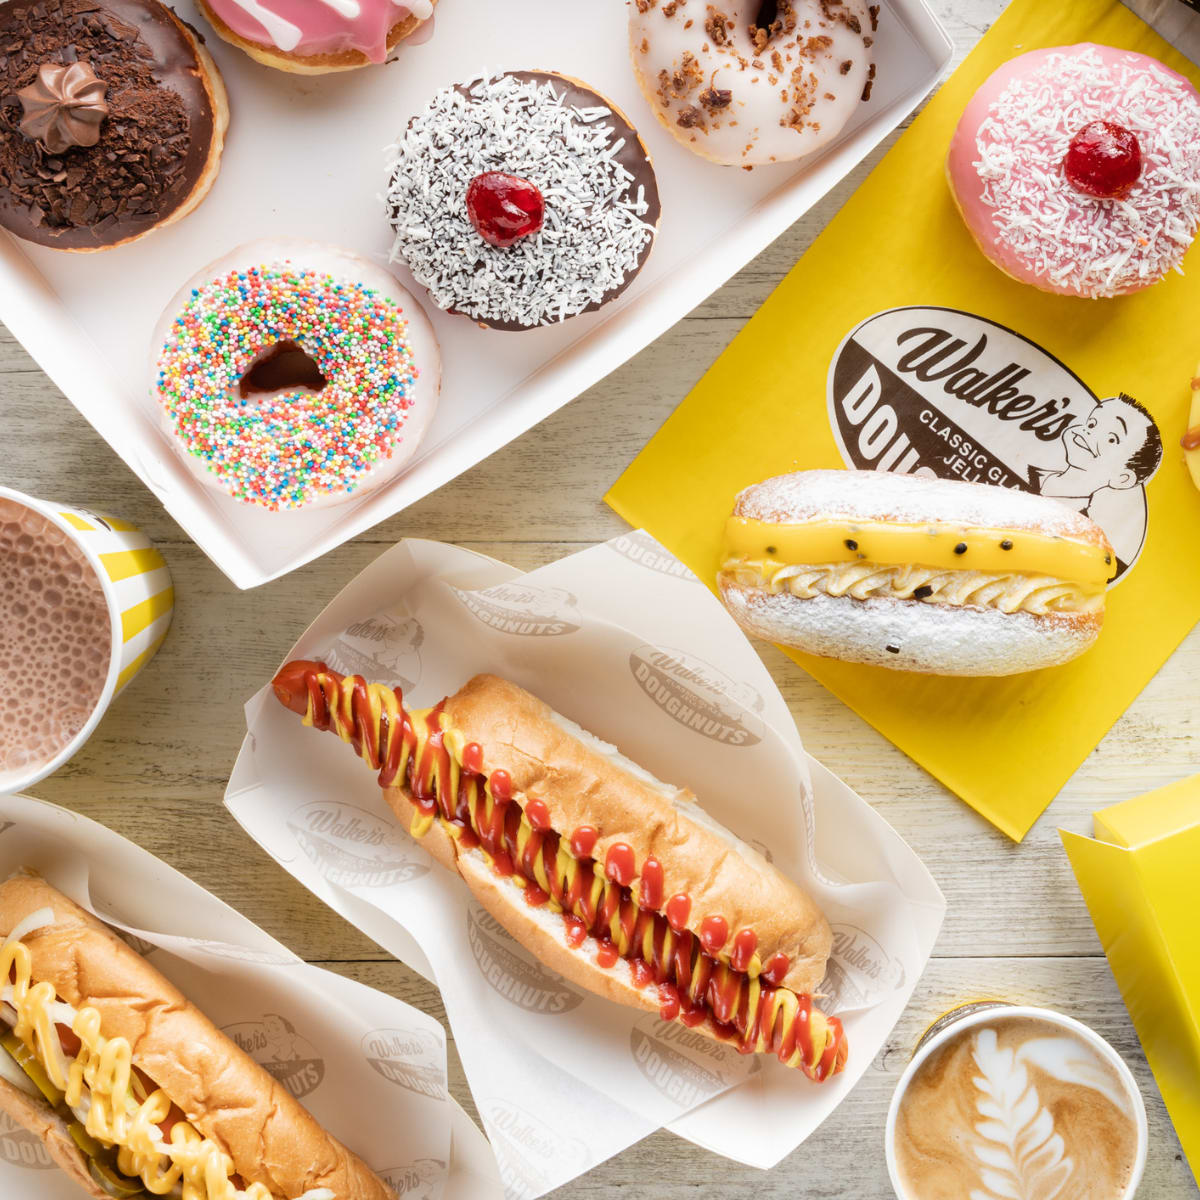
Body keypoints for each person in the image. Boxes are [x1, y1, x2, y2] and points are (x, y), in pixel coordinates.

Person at [1030, 394, 1162, 575]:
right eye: (1091, 424)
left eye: (1111, 439)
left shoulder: (1081, 533)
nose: (1088, 432)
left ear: (1123, 478)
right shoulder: (1027, 471)